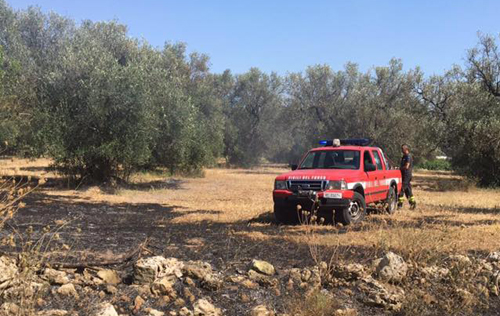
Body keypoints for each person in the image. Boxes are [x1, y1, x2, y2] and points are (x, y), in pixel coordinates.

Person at [398, 144, 416, 209]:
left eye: (402, 149)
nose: (402, 151)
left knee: (402, 189)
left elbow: (407, 166)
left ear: (406, 149)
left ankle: (399, 205)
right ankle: (413, 204)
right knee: (408, 190)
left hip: (407, 175)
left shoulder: (408, 156)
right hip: (404, 175)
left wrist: (400, 168)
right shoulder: (404, 156)